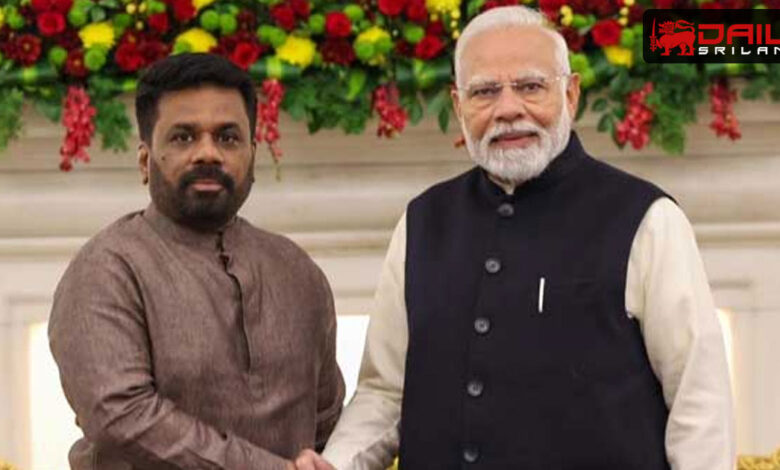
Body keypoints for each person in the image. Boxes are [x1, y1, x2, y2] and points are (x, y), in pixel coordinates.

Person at [317, 6, 735, 470]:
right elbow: (384, 392)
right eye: (485, 92)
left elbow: (699, 401)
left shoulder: (647, 219)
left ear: (571, 94)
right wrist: (336, 463)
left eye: (531, 86)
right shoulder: (422, 222)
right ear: (458, 106)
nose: (508, 109)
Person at [49, 53, 344, 470]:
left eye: (228, 138)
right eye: (183, 137)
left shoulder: (297, 271)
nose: (208, 153)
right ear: (144, 161)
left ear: (252, 156)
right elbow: (121, 417)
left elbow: (327, 418)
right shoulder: (107, 269)